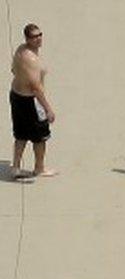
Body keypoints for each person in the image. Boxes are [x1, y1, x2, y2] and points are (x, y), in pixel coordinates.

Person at [9, 23, 56, 180]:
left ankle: (15, 167)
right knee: (40, 137)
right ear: (27, 39)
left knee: (21, 134)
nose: (38, 39)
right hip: (31, 101)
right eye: (34, 37)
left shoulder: (20, 50)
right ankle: (39, 168)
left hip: (16, 95)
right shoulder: (32, 59)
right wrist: (48, 109)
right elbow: (35, 87)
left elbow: (13, 70)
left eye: (40, 35)